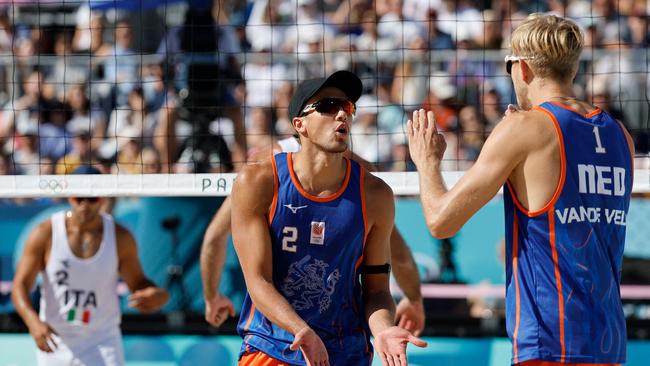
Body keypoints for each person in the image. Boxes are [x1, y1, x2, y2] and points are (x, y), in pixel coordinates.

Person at [407, 14, 633, 366]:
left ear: (523, 68)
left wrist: (427, 163)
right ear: (571, 69)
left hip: (547, 340)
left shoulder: (525, 129)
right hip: (609, 342)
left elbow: (440, 221)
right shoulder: (621, 136)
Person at [230, 70, 427, 365]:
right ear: (300, 125)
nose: (341, 115)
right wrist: (301, 330)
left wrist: (384, 329)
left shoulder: (375, 194)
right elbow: (258, 281)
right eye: (327, 106)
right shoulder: (259, 181)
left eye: (347, 107)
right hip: (274, 346)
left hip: (344, 350)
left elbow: (376, 290)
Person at [200, 137, 426, 336]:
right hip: (329, 332)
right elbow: (398, 252)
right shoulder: (357, 171)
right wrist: (414, 299)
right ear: (301, 123)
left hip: (280, 334)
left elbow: (214, 237)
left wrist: (212, 297)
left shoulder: (265, 168)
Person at [11, 165, 169, 365]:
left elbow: (138, 281)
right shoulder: (45, 233)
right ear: (70, 197)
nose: (85, 204)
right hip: (56, 340)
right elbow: (20, 286)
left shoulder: (120, 237)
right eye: (79, 198)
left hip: (102, 341)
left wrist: (155, 294)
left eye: (92, 198)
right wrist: (33, 322)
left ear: (102, 199)